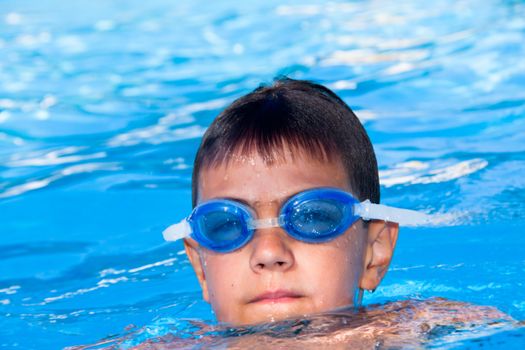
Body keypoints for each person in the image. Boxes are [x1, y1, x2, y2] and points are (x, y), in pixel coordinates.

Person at [158, 78, 517, 347]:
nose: (268, 253)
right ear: (200, 268)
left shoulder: (416, 326)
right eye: (225, 225)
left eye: (313, 217)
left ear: (374, 253)